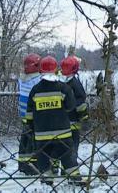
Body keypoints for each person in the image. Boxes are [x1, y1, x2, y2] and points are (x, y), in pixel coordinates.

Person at [25, 55, 81, 185]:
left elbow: (29, 113)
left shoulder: (35, 90)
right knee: (68, 158)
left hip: (41, 135)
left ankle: (47, 180)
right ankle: (75, 179)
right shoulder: (64, 88)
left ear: (40, 71)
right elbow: (71, 107)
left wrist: (30, 126)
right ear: (56, 70)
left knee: (43, 159)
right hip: (63, 133)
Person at [17, 53, 41, 175]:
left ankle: (23, 166)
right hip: (34, 117)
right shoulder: (37, 80)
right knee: (33, 143)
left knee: (25, 142)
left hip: (24, 116)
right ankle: (33, 167)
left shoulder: (22, 79)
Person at [60, 55, 88, 163]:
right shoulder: (75, 84)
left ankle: (58, 168)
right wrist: (84, 118)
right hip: (73, 122)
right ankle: (70, 167)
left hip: (62, 122)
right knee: (72, 147)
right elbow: (81, 103)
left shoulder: (59, 82)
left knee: (61, 148)